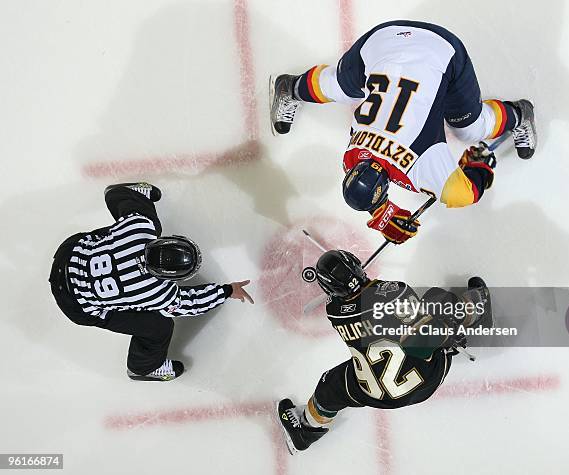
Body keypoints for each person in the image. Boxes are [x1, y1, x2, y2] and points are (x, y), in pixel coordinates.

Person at [270, 20, 537, 244]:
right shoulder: (352, 156)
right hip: (383, 38)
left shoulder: (424, 166)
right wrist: (379, 211)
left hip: (442, 52)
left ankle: (519, 114)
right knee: (338, 87)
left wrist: (477, 164)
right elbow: (361, 171)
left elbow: (466, 193)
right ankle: (289, 87)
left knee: (471, 131)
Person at [277, 250, 491, 453]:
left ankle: (306, 431)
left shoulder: (333, 312)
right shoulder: (396, 291)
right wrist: (445, 334)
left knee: (330, 385)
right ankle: (478, 309)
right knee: (436, 300)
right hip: (429, 375)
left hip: (380, 394)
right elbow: (419, 338)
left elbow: (356, 305)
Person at [49, 183, 254, 381]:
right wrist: (226, 291)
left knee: (132, 224)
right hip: (76, 306)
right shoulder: (158, 294)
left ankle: (121, 193)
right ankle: (143, 367)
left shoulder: (140, 226)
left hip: (69, 255)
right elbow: (191, 303)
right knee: (160, 327)